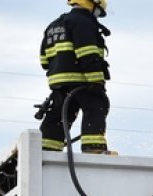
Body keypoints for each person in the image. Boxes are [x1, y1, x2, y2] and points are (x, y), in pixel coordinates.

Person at [38, 0, 112, 154]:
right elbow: (87, 53)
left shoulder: (54, 25)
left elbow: (44, 61)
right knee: (95, 107)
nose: (97, 15)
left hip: (58, 83)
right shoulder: (84, 22)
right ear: (92, 4)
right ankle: (94, 149)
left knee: (58, 116)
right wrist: (96, 81)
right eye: (98, 11)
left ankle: (46, 151)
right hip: (82, 80)